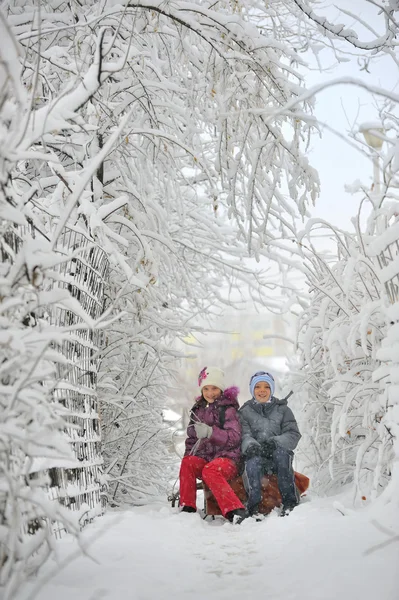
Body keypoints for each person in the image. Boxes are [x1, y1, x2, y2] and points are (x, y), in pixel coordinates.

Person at [179, 366, 247, 523]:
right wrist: (189, 455)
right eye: (206, 388)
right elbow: (191, 439)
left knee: (211, 470)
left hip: (228, 459)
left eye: (214, 388)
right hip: (205, 457)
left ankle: (234, 510)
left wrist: (211, 433)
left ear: (221, 389)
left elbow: (235, 437)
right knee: (188, 462)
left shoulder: (228, 409)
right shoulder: (198, 409)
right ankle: (187, 507)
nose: (210, 393)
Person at [239, 371, 301, 517]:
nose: (262, 390)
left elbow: (293, 434)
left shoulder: (283, 410)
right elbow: (244, 434)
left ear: (272, 390)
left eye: (266, 387)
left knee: (282, 457)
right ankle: (253, 506)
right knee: (252, 464)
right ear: (252, 390)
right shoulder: (245, 412)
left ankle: (289, 502)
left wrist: (275, 442)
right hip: (257, 453)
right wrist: (251, 446)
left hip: (278, 452)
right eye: (258, 387)